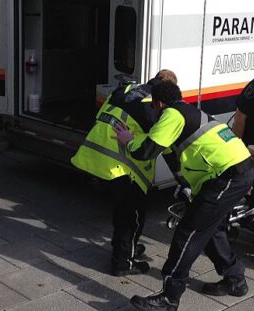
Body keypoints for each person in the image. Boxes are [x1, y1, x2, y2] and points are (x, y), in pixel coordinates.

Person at [121, 81, 254, 311]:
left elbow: (147, 151)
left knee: (188, 233)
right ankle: (235, 279)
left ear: (159, 103)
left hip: (227, 176)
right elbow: (172, 154)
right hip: (236, 171)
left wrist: (128, 140)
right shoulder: (188, 111)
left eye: (153, 107)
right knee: (212, 229)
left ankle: (169, 298)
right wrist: (184, 184)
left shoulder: (172, 114)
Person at [71, 70, 178, 276]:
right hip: (120, 165)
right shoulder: (155, 105)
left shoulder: (125, 89)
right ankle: (123, 263)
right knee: (133, 215)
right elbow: (163, 146)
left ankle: (126, 248)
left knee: (122, 210)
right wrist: (180, 177)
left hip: (95, 157)